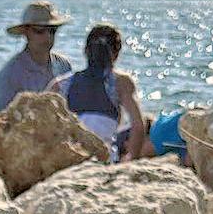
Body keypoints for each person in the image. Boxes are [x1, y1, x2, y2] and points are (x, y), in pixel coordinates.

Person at [49, 23, 145, 162]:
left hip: (71, 158)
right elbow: (138, 126)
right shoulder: (121, 83)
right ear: (116, 54)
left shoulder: (61, 84)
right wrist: (130, 161)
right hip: (104, 159)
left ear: (85, 51)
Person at [0, 0, 72, 111]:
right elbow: (5, 118)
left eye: (52, 31)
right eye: (40, 30)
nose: (47, 36)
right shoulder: (10, 74)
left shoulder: (64, 65)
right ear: (26, 33)